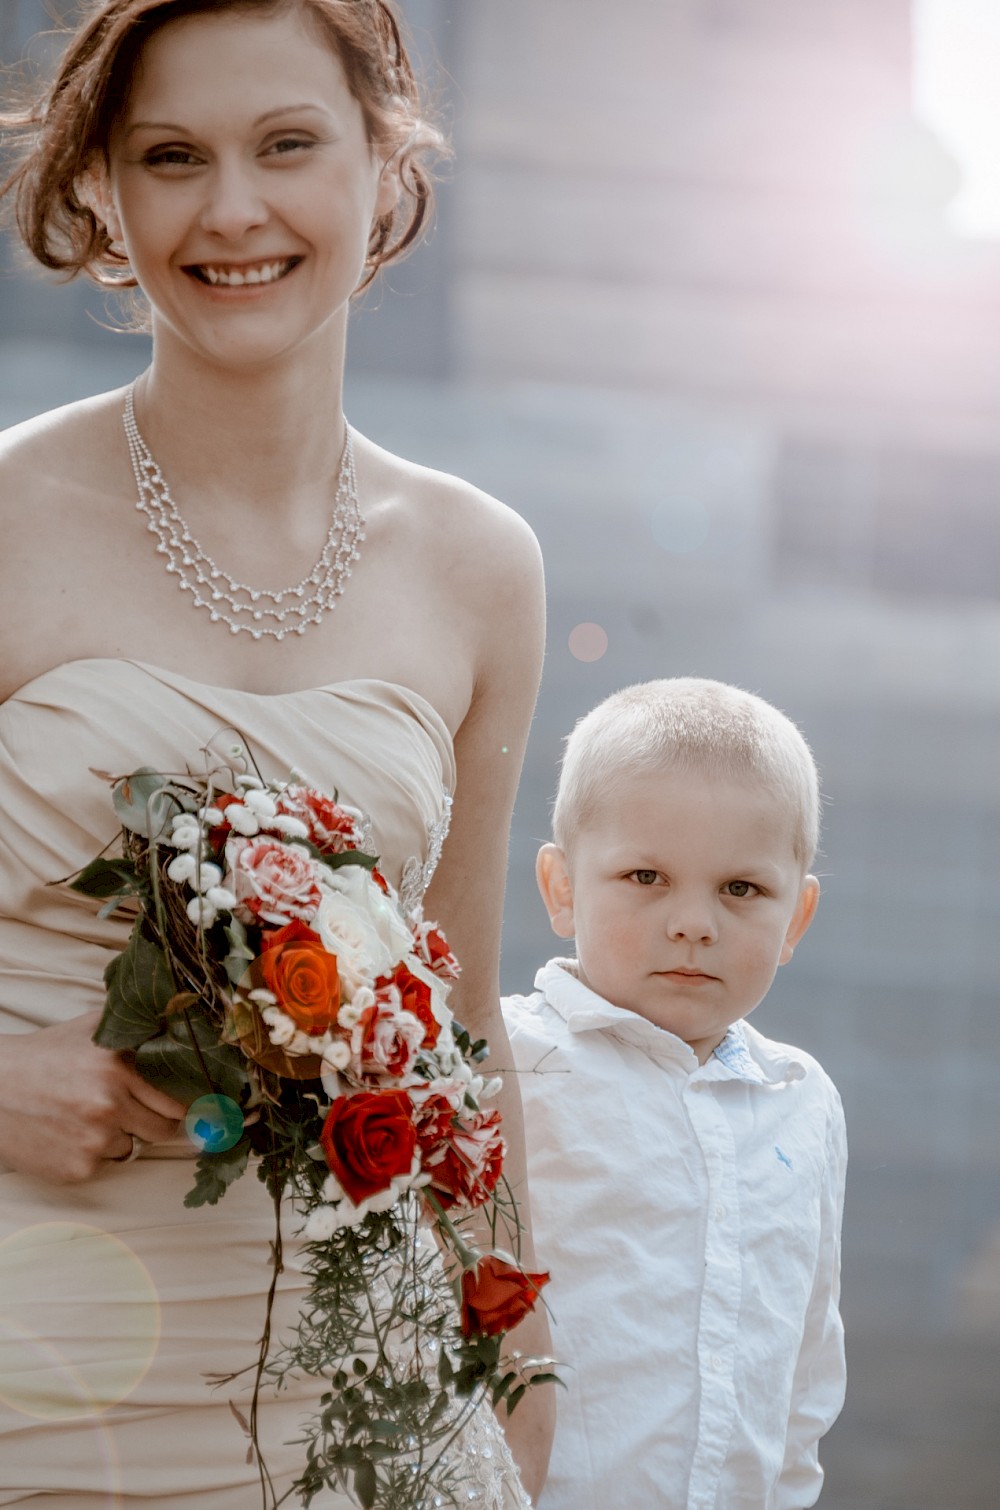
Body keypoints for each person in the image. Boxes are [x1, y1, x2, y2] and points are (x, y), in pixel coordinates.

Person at [0, 1, 553, 1504]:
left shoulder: (480, 565)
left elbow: (468, 1015)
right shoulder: (6, 518)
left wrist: (519, 1346)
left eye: (288, 145)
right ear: (101, 190)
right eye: (171, 156)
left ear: (387, 164)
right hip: (38, 1378)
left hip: (357, 1394)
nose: (232, 209)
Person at [502, 677, 847, 1509]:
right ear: (560, 888)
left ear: (796, 919)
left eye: (741, 889)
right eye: (647, 875)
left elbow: (804, 1367)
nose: (694, 921)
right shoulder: (508, 1058)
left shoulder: (805, 1100)